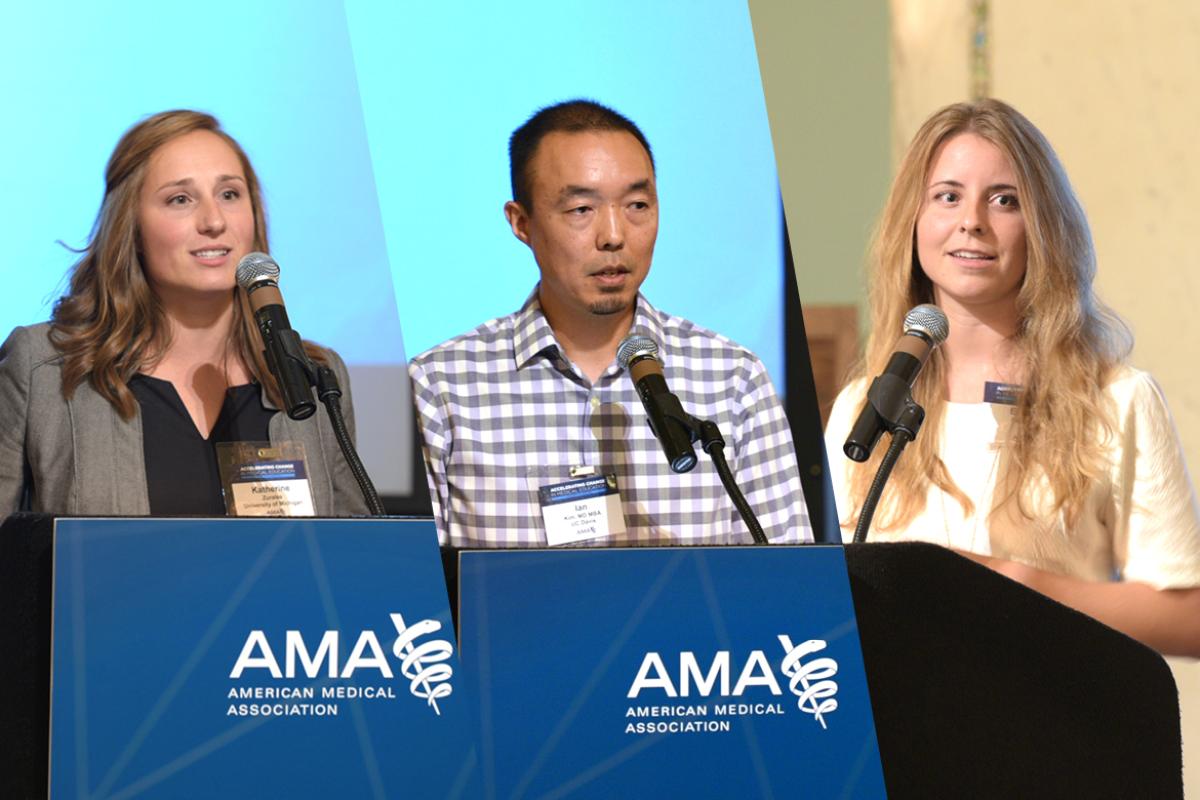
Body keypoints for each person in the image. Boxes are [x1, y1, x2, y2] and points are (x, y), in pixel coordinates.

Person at [825, 98, 1200, 657]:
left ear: (1043, 227)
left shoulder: (1116, 400)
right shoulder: (866, 403)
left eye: (1004, 200)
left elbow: (1189, 618)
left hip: (1056, 728)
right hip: (896, 733)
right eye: (947, 196)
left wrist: (1018, 587)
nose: (971, 221)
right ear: (914, 222)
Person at [410, 99, 810, 547]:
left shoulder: (733, 380)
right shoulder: (442, 386)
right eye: (582, 210)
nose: (615, 235)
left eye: (637, 205)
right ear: (521, 223)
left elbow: (789, 586)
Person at [0, 110, 368, 516]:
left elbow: (352, 557)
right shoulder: (43, 368)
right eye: (180, 199)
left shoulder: (314, 376)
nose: (214, 221)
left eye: (229, 194)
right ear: (131, 227)